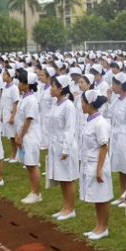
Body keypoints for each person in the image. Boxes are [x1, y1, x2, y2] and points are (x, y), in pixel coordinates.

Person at [79, 89, 113, 240]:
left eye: (83, 102)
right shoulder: (90, 120)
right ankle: (98, 226)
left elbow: (104, 146)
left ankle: (103, 228)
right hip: (90, 163)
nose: (81, 105)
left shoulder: (100, 123)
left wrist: (99, 169)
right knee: (97, 197)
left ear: (90, 104)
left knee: (103, 197)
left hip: (98, 164)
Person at [47, 75, 80, 220]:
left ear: (60, 89)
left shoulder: (68, 106)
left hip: (65, 145)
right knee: (61, 178)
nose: (51, 89)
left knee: (68, 178)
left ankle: (70, 209)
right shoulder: (55, 104)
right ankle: (65, 207)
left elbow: (70, 129)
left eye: (53, 86)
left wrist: (66, 149)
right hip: (55, 145)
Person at [107, 72, 126, 208]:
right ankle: (123, 194)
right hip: (117, 138)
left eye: (114, 85)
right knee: (121, 168)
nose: (112, 87)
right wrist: (108, 99)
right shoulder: (117, 101)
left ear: (120, 85)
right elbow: (108, 114)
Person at [15, 70, 43, 204]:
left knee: (32, 164)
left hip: (30, 136)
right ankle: (33, 191)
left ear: (27, 84)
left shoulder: (31, 100)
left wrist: (20, 136)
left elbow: (28, 120)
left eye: (21, 82)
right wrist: (17, 135)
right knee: (27, 164)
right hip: (23, 136)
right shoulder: (24, 97)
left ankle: (37, 193)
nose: (18, 84)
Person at [0, 69, 20, 163]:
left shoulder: (14, 88)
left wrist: (13, 116)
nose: (3, 77)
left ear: (10, 76)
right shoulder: (5, 86)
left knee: (15, 137)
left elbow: (15, 103)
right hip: (6, 114)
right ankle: (13, 155)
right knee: (11, 137)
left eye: (5, 75)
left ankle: (18, 156)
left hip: (12, 114)